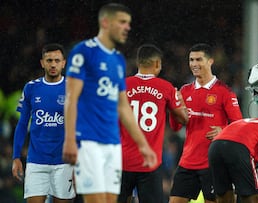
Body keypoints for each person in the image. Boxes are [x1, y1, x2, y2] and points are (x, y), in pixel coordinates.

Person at [61, 3, 157, 203]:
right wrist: (70, 139)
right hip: (88, 141)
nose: (127, 27)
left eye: (129, 23)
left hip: (113, 144)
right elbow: (71, 98)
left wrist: (143, 145)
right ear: (105, 22)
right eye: (122, 22)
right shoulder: (83, 52)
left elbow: (123, 107)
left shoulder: (118, 60)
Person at [168, 43, 243, 203]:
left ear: (210, 61)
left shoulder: (224, 91)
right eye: (191, 60)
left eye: (199, 59)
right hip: (187, 161)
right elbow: (175, 127)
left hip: (212, 163)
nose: (194, 64)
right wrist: (174, 108)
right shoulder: (185, 91)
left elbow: (239, 125)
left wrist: (223, 130)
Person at [118, 44, 188, 203]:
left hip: (122, 161)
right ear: (157, 64)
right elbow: (183, 120)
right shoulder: (166, 88)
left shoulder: (121, 85)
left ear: (138, 62)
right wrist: (181, 102)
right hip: (149, 164)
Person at [12, 43, 75, 203]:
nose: (53, 64)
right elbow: (22, 124)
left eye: (56, 60)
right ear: (42, 63)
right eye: (49, 60)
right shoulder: (31, 88)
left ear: (63, 63)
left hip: (64, 162)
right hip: (36, 161)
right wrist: (16, 157)